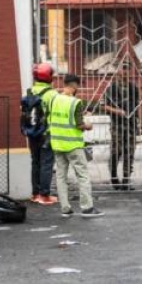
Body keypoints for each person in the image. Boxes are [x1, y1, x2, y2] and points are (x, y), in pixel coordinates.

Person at [50, 74, 102, 217]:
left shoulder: (54, 99)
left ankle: (65, 209)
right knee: (82, 176)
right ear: (74, 86)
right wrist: (88, 125)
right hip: (73, 145)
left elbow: (58, 118)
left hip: (57, 144)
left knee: (61, 176)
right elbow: (79, 125)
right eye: (78, 86)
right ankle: (87, 208)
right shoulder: (76, 102)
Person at [102, 59, 142, 190]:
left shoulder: (133, 88)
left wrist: (140, 123)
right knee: (116, 152)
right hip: (117, 125)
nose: (125, 71)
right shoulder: (112, 88)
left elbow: (138, 106)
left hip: (131, 125)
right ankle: (114, 176)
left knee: (129, 152)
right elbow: (104, 106)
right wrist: (117, 111)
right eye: (123, 68)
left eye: (127, 69)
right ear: (118, 71)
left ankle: (126, 180)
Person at [21, 62, 57, 206]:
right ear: (49, 77)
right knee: (46, 163)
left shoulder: (29, 92)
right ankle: (45, 195)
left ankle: (35, 194)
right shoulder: (52, 94)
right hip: (46, 133)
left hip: (32, 133)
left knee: (35, 162)